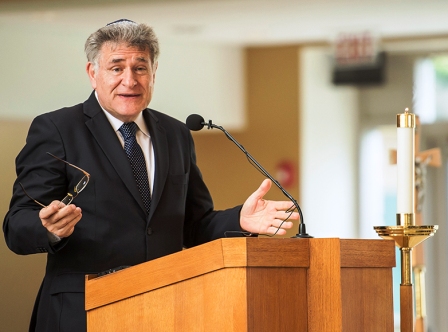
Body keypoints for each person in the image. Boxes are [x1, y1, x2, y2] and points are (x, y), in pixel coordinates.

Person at [3, 19, 298, 332]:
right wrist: (47, 227)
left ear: (154, 73)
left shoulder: (176, 134)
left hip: (164, 310)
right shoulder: (58, 129)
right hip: (82, 313)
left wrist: (240, 219)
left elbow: (194, 225)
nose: (129, 80)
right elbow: (17, 225)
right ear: (93, 73)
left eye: (140, 68)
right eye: (116, 68)